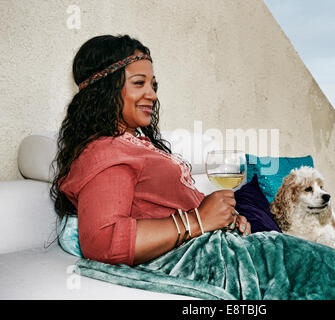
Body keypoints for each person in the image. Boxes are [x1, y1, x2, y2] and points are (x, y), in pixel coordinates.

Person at [50, 34, 251, 266]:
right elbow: (103, 242)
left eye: (153, 85)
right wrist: (198, 221)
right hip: (200, 259)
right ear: (104, 90)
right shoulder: (106, 151)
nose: (153, 95)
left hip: (218, 247)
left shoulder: (132, 142)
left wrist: (223, 217)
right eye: (139, 83)